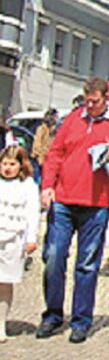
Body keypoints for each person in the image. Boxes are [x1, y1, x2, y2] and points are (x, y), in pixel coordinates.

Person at [38, 76, 109, 343]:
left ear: (105, 98)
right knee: (55, 257)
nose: (91, 106)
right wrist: (48, 186)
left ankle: (81, 319)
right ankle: (53, 314)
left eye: (95, 102)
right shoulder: (73, 119)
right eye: (87, 101)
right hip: (63, 199)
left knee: (87, 264)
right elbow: (55, 154)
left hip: (96, 202)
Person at [0, 145, 39, 342]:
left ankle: (1, 324)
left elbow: (32, 213)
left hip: (13, 239)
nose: (7, 168)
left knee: (5, 282)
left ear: (21, 166)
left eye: (12, 164)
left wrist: (31, 238)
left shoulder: (28, 185)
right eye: (5, 164)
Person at [30, 108, 58, 185]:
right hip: (40, 157)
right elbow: (37, 143)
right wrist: (39, 156)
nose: (56, 119)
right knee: (38, 178)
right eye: (55, 117)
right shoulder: (41, 129)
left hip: (49, 157)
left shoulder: (53, 130)